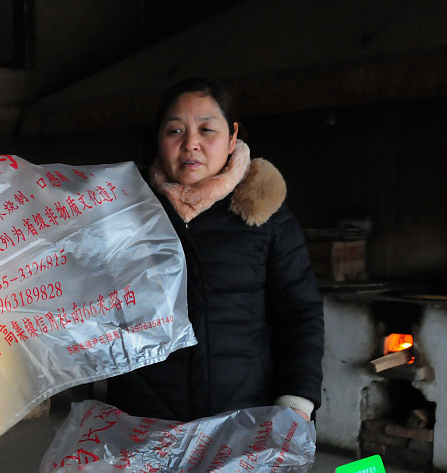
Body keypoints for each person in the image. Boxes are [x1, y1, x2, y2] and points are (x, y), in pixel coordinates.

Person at [106, 77, 323, 424]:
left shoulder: (264, 213)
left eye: (207, 130)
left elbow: (299, 312)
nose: (191, 143)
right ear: (158, 139)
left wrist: (296, 400)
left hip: (242, 416)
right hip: (141, 416)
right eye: (175, 131)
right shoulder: (125, 213)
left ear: (233, 136)